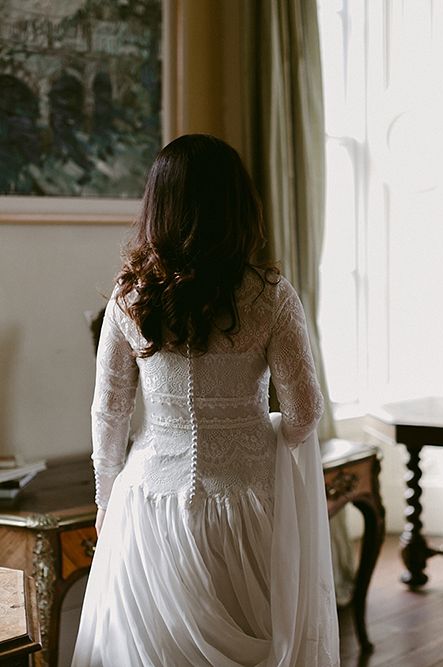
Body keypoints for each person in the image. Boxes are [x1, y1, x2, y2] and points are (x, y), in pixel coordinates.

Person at [72, 134, 340, 666]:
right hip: (246, 503)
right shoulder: (269, 294)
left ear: (157, 207)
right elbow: (305, 412)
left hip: (148, 504)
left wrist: (106, 500)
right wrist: (259, 436)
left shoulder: (129, 296)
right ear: (238, 206)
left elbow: (110, 412)